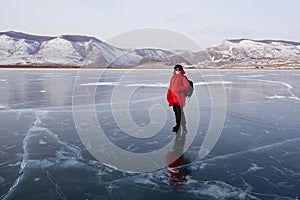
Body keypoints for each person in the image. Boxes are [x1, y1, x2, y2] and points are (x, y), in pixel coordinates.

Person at [167, 64, 190, 133]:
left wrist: (178, 89)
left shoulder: (183, 78)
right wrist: (169, 95)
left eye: (179, 70)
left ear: (181, 70)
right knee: (176, 112)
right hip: (173, 98)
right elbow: (171, 87)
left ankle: (181, 126)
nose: (177, 71)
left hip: (179, 98)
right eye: (176, 70)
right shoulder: (173, 77)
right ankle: (178, 125)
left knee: (179, 112)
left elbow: (187, 86)